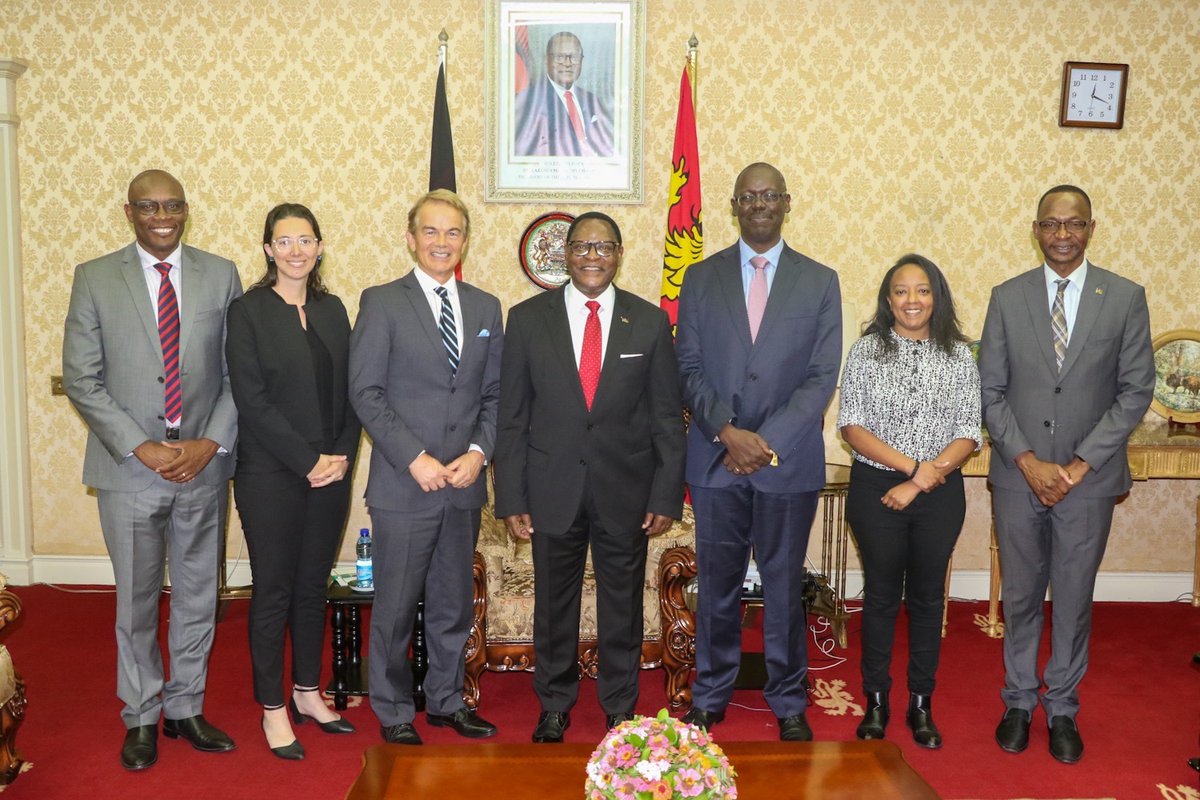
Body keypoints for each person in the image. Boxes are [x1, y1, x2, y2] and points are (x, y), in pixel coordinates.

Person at [62, 169, 241, 770]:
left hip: (202, 467)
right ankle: (140, 713)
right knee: (136, 599)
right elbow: (82, 379)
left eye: (172, 205)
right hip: (129, 470)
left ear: (186, 210)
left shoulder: (221, 274)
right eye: (148, 206)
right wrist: (142, 446)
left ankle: (185, 707)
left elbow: (240, 372)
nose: (161, 215)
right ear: (129, 211)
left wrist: (209, 443)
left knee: (198, 595)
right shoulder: (94, 277)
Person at [494, 212, 686, 743]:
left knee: (621, 603)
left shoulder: (647, 322)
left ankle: (619, 706)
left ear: (619, 253)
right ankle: (554, 702)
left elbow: (667, 417)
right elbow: (512, 416)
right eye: (581, 246)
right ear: (566, 254)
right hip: (550, 488)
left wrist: (666, 493)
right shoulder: (528, 319)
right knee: (554, 604)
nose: (592, 256)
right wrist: (511, 495)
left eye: (603, 246)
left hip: (626, 490)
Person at [979, 185, 1154, 764]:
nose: (1062, 234)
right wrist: (1028, 461)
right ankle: (1019, 702)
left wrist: (1078, 466)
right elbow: (991, 390)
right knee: (1022, 595)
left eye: (1073, 224)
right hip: (1018, 475)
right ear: (1035, 230)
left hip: (1090, 481)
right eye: (1051, 224)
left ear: (1091, 229)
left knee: (1074, 598)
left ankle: (1062, 709)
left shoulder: (1125, 297)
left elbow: (1135, 392)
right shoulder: (1007, 297)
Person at [675, 162, 842, 741]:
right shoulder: (700, 278)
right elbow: (688, 367)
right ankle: (711, 693)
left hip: (786, 463)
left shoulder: (820, 281)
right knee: (716, 587)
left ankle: (789, 698)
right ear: (734, 205)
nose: (760, 204)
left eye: (770, 195)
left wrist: (764, 441)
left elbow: (821, 378)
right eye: (749, 196)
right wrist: (726, 430)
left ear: (787, 203)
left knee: (782, 588)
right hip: (716, 460)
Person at [349, 189, 503, 745]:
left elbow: (494, 395)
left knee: (451, 604)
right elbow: (365, 392)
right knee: (394, 606)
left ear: (465, 241)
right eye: (431, 232)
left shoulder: (486, 308)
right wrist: (415, 458)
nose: (442, 242)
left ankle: (445, 700)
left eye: (453, 232)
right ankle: (392, 710)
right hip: (404, 485)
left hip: (462, 486)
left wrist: (478, 454)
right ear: (411, 238)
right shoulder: (382, 301)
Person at [226, 203, 360, 759]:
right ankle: (273, 707)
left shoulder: (333, 310)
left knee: (313, 585)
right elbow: (251, 401)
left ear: (320, 246)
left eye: (305, 240)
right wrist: (307, 460)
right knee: (275, 590)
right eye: (284, 242)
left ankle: (308, 692)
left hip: (331, 472)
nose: (296, 250)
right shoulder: (247, 311)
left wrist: (341, 457)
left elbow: (356, 389)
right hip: (270, 474)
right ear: (267, 250)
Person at [838, 255, 981, 749]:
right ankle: (876, 701)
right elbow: (852, 427)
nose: (912, 300)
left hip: (939, 497)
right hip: (876, 491)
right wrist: (910, 469)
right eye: (901, 291)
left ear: (936, 297)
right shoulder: (866, 350)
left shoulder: (960, 355)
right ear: (888, 299)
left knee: (926, 600)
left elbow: (968, 432)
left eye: (922, 290)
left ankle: (922, 704)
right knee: (879, 597)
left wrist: (921, 482)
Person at [514, 31, 615, 157]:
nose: (568, 63)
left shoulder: (592, 101)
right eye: (559, 57)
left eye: (574, 57)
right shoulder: (528, 102)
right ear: (546, 60)